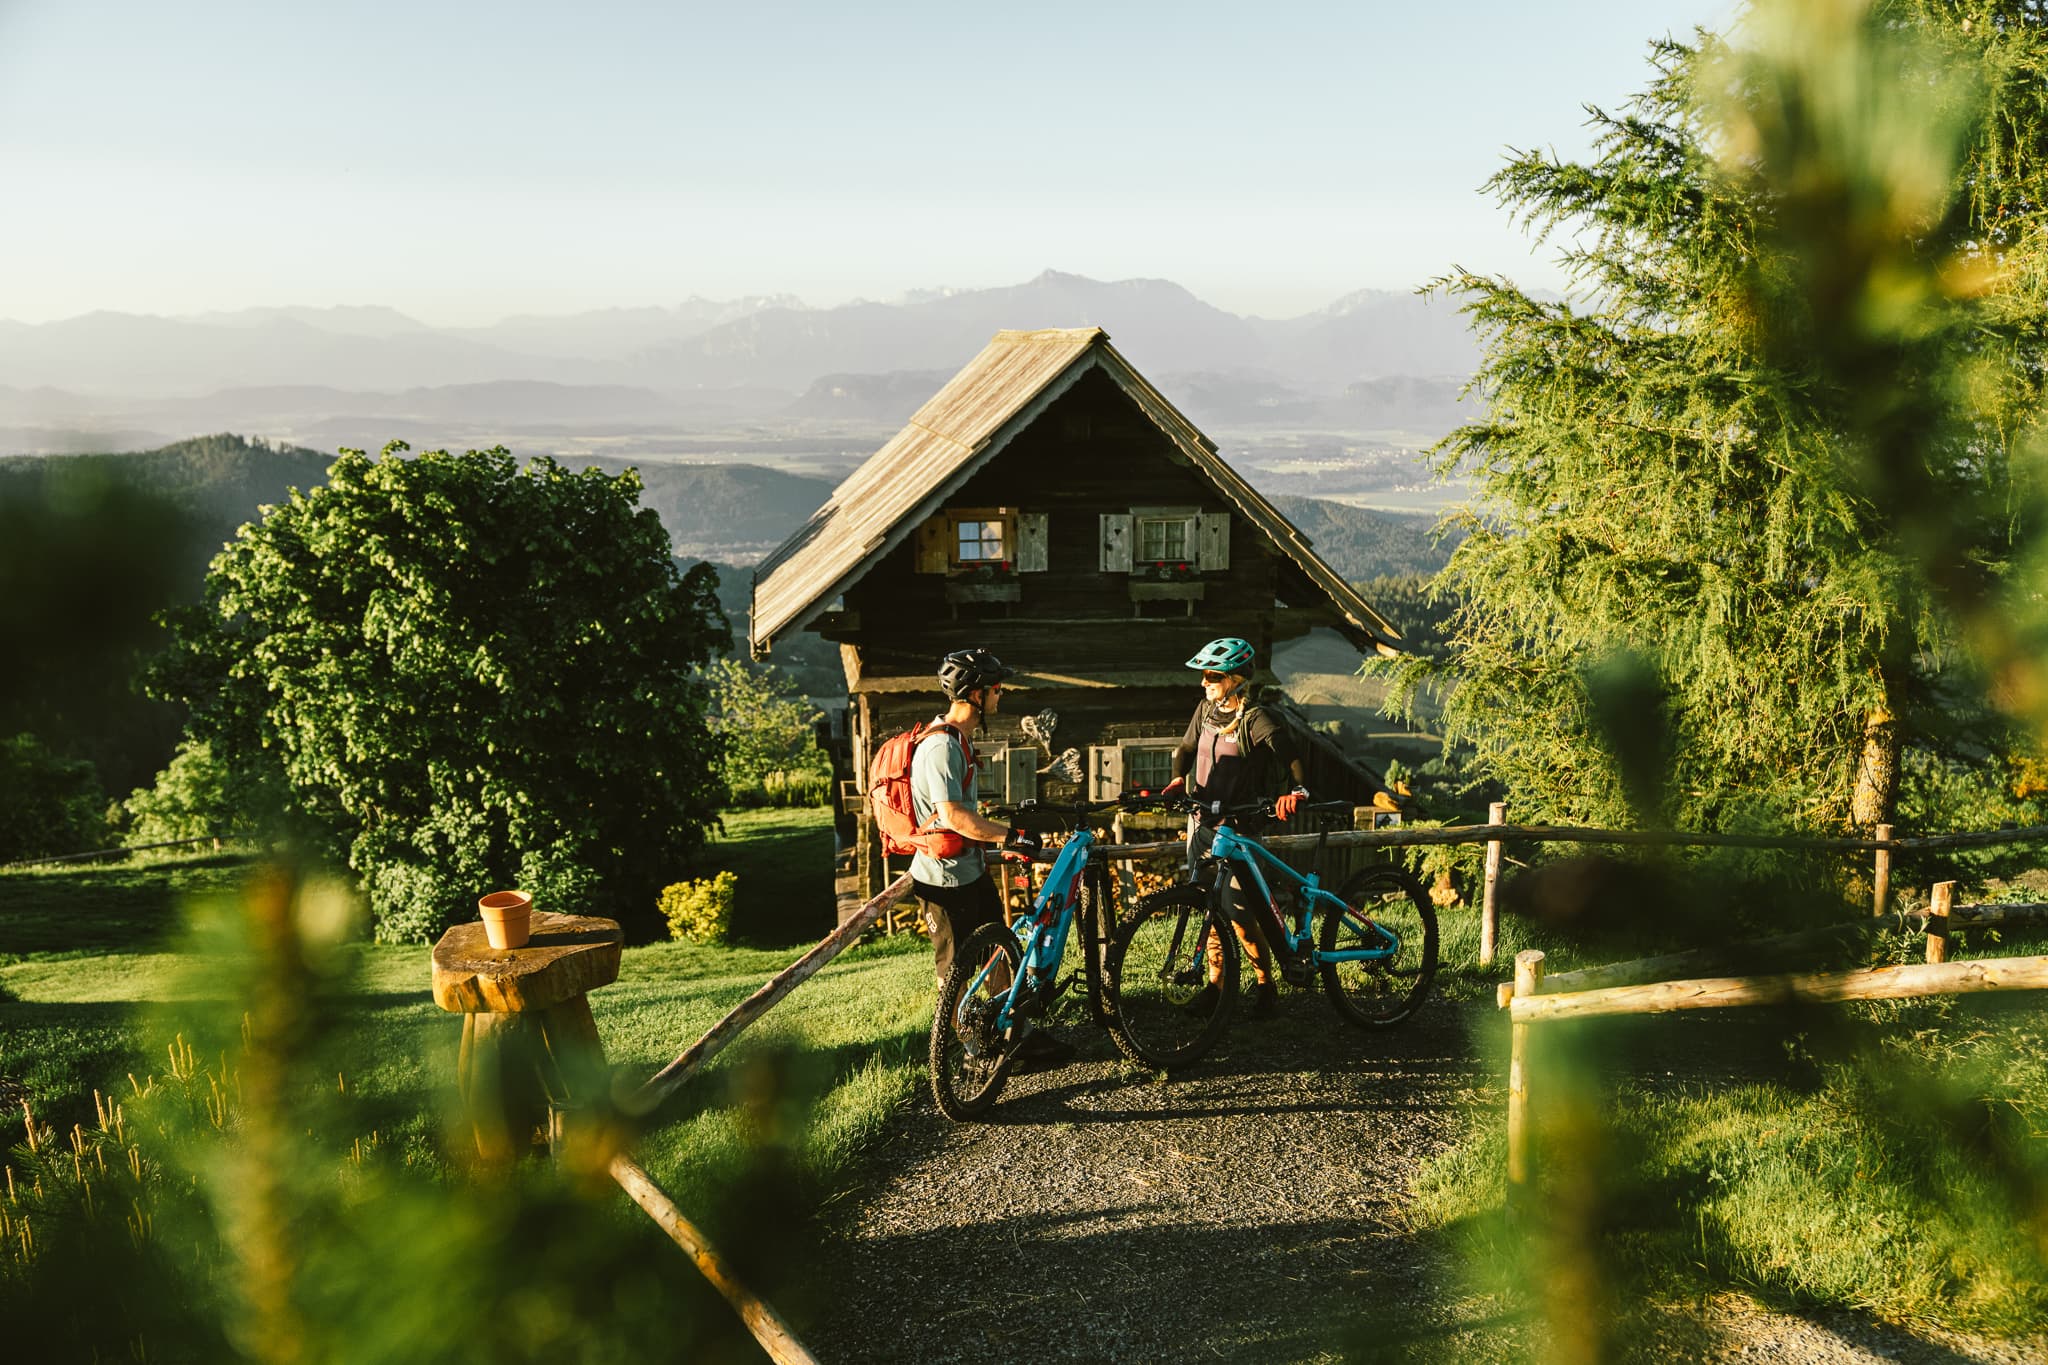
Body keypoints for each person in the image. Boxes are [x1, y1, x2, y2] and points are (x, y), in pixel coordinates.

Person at [910, 646, 1074, 1069]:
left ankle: (1017, 1035)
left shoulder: (960, 741)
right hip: (941, 880)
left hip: (969, 869)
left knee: (999, 951)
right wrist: (1013, 836)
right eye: (996, 688)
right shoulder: (942, 746)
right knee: (954, 972)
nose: (1001, 695)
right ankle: (973, 1050)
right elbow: (952, 815)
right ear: (974, 694)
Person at [1159, 636, 1310, 1017]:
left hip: (1239, 829)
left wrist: (1298, 789)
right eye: (1204, 675)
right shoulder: (1205, 711)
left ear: (1234, 679)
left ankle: (1265, 985)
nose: (1203, 682)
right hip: (1203, 824)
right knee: (1207, 908)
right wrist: (1179, 779)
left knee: (1241, 915)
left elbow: (1288, 752)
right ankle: (1216, 986)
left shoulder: (1255, 719)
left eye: (1211, 675)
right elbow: (1185, 750)